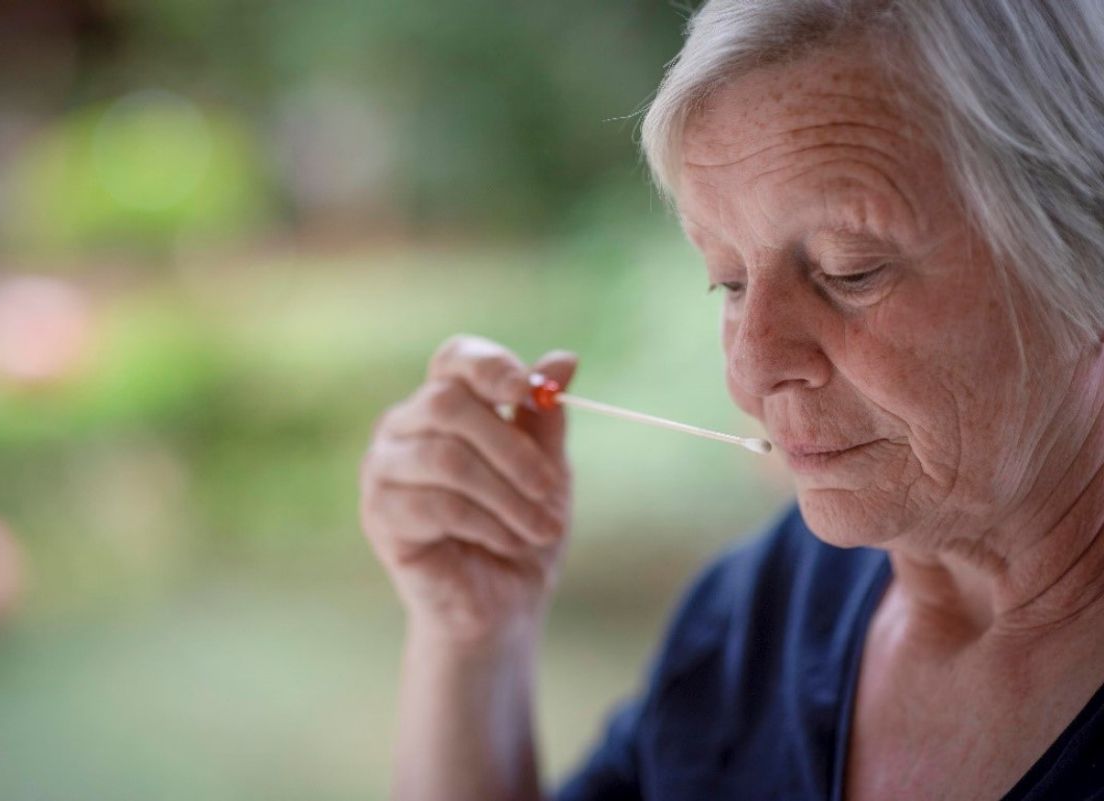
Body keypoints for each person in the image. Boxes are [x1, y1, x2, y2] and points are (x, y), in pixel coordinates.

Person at [357, 1, 1104, 798]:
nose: (751, 373)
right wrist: (472, 635)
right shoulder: (762, 608)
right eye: (730, 281)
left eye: (850, 270)